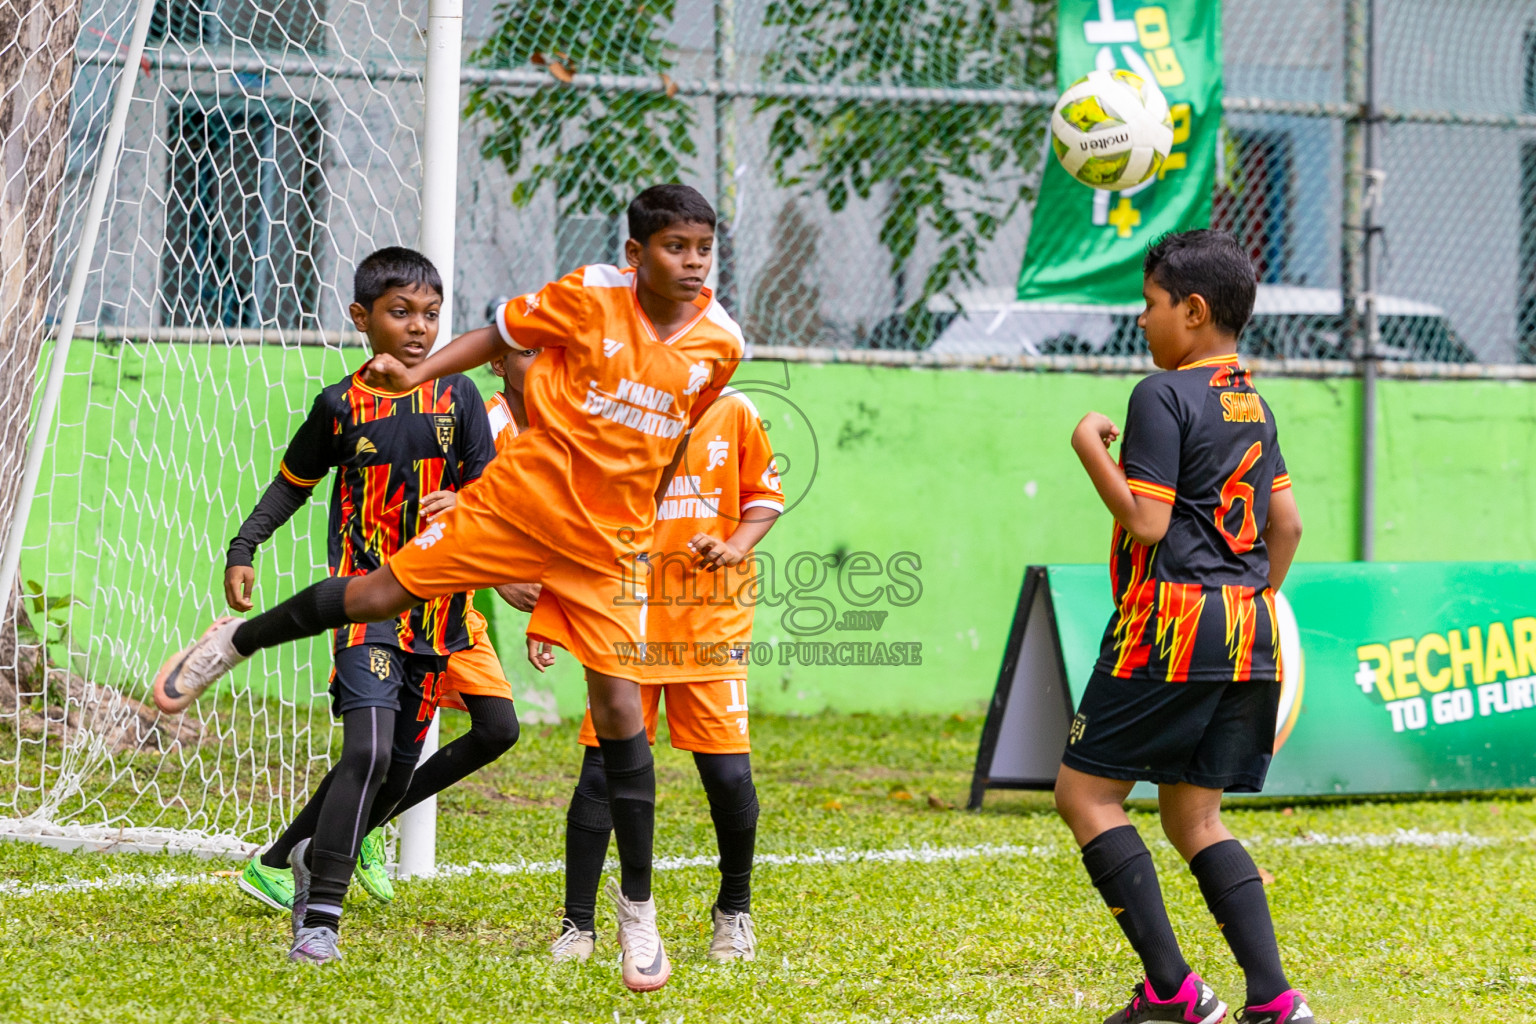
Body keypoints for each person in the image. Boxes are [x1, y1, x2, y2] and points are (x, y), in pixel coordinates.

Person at [152, 184, 743, 990]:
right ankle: (233, 642)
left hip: (606, 545)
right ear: (637, 255)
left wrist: (638, 506)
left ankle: (636, 915)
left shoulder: (722, 344)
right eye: (676, 247)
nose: (694, 261)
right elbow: (494, 338)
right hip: (519, 503)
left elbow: (674, 437)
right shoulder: (588, 297)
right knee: (370, 598)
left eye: (703, 248)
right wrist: (418, 375)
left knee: (616, 716)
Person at [1053, 230, 1310, 1024]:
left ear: (1193, 311)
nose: (1141, 319)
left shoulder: (1159, 394)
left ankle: (1172, 992)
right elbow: (1288, 526)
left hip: (1172, 624)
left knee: (1085, 795)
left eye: (1151, 303)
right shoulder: (1253, 402)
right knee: (1194, 817)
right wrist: (1247, 604)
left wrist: (1088, 448)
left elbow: (1147, 523)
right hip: (1249, 626)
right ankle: (1273, 1001)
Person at [216, 246, 500, 962]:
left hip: (439, 613)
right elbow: (293, 482)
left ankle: (309, 856)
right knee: (366, 751)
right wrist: (244, 547)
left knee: (400, 765)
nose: (418, 327)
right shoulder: (340, 405)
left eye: (431, 315)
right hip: (363, 601)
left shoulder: (458, 397)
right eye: (400, 312)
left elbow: (498, 493)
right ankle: (320, 921)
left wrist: (464, 499)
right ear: (361, 317)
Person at [235, 346, 541, 917]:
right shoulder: (477, 413)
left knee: (492, 730)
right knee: (372, 750)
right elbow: (481, 509)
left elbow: (506, 513)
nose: (547, 362)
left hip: (450, 607)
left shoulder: (548, 422)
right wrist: (503, 575)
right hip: (390, 596)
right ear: (498, 362)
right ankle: (299, 868)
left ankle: (360, 822)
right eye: (531, 351)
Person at [549, 385, 783, 965]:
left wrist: (733, 545)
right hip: (627, 615)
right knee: (602, 769)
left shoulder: (735, 411)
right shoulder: (624, 408)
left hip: (712, 622)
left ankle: (734, 911)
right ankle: (578, 925)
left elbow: (765, 497)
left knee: (728, 776)